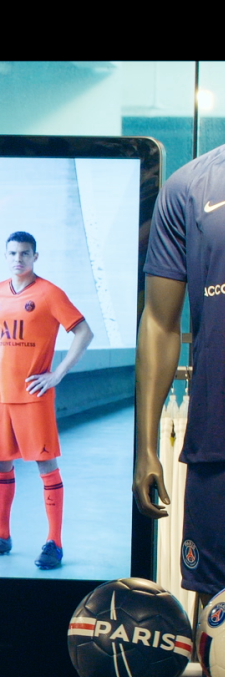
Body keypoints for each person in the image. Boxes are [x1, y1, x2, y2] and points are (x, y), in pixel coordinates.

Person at [0, 232, 94, 571]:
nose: (18, 259)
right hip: (1, 397)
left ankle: (55, 543)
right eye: (12, 253)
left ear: (35, 256)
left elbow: (84, 332)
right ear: (5, 255)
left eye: (25, 253)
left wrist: (58, 374)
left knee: (46, 466)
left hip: (34, 397)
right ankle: (0, 536)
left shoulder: (50, 293)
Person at [135, 144, 225, 607]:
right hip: (217, 444)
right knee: (216, 621)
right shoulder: (189, 186)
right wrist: (146, 446)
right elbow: (159, 321)